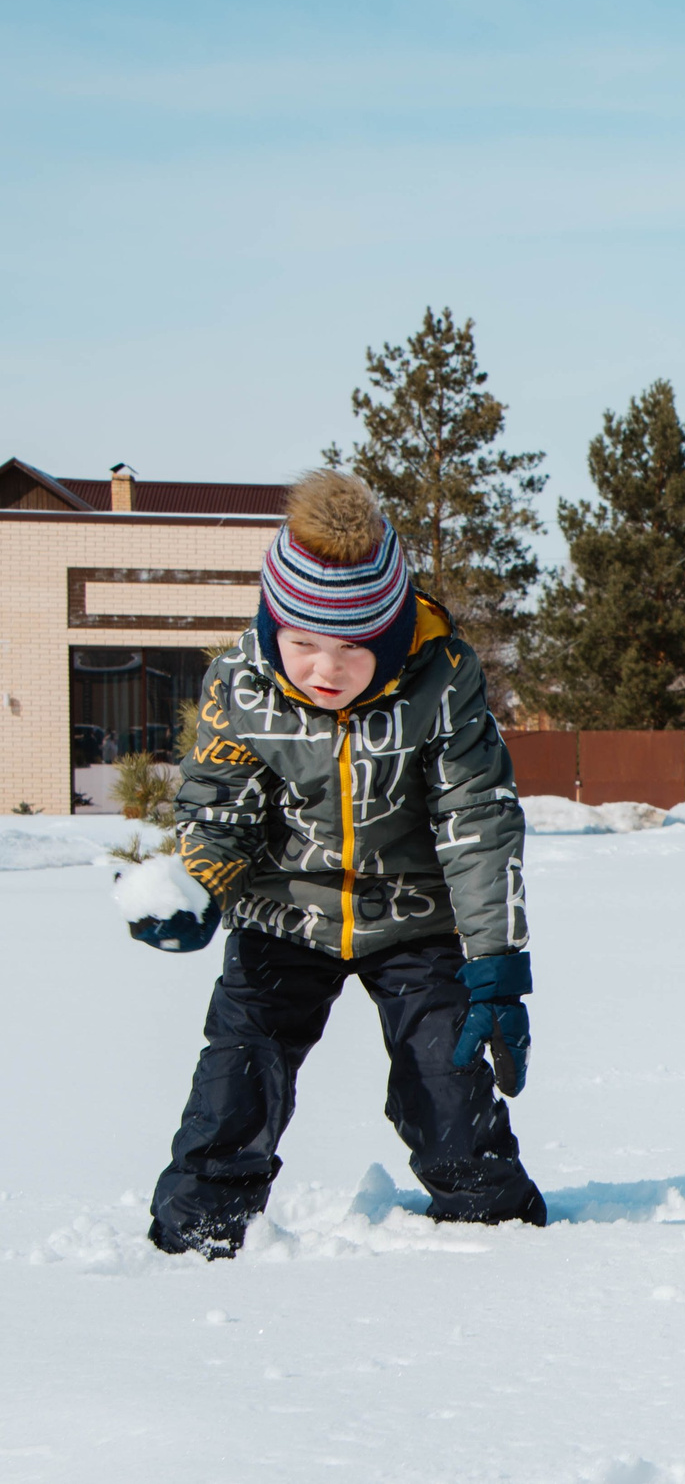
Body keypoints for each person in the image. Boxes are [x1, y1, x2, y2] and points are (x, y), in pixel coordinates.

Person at [130, 469, 542, 1257]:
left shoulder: (441, 682)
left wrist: (494, 964)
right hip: (283, 913)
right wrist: (196, 885)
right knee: (236, 1080)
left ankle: (497, 1226)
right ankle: (196, 1232)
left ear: (389, 637)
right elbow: (221, 806)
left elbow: (478, 820)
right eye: (303, 643)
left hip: (412, 918)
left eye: (351, 646)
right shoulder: (243, 687)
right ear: (272, 629)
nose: (324, 667)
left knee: (446, 1080)